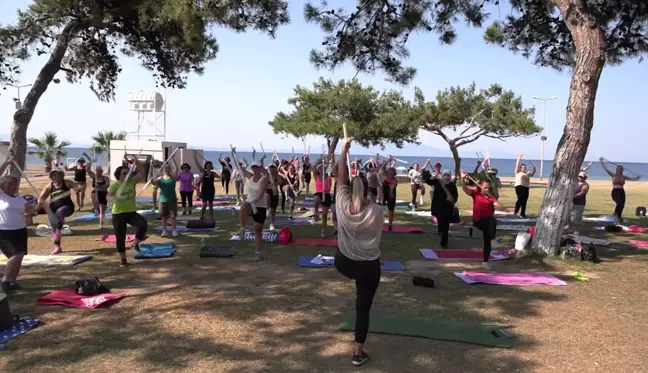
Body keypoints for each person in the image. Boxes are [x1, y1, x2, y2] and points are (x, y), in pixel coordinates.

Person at [333, 138, 384, 367]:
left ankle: (358, 352)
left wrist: (343, 151)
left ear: (350, 189)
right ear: (367, 190)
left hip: (343, 262)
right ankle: (357, 353)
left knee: (354, 266)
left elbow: (341, 176)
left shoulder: (342, 203)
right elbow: (348, 181)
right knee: (362, 309)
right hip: (367, 267)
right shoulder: (376, 211)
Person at [0, 156, 39, 293]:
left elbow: (31, 212)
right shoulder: (1, 196)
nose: (13, 186)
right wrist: (6, 163)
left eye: (15, 184)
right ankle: (5, 281)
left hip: (20, 230)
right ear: (3, 185)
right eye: (10, 184)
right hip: (4, 231)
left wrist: (39, 206)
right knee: (15, 255)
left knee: (20, 255)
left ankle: (12, 281)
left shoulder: (20, 198)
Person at [108, 156, 148, 267]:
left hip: (131, 213)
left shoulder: (132, 181)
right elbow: (109, 197)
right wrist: (114, 198)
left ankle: (135, 244)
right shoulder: (115, 185)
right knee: (120, 237)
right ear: (118, 175)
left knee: (143, 225)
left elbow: (142, 172)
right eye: (124, 174)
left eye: (128, 173)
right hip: (118, 214)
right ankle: (123, 260)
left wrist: (135, 161)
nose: (127, 175)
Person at [460, 172, 500, 270]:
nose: (487, 189)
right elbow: (464, 189)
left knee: (487, 242)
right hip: (478, 221)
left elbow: (497, 205)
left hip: (488, 223)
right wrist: (462, 179)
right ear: (480, 186)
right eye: (485, 187)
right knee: (492, 220)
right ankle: (493, 239)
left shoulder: (491, 197)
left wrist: (496, 202)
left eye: (489, 188)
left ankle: (485, 262)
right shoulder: (475, 194)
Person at [38, 169, 82, 254]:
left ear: (62, 175)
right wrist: (40, 201)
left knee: (60, 212)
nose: (55, 177)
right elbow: (41, 197)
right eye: (53, 175)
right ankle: (57, 246)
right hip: (53, 209)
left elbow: (78, 186)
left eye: (57, 174)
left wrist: (77, 188)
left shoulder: (67, 183)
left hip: (67, 207)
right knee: (55, 230)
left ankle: (59, 229)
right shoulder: (49, 186)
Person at [235, 156, 268, 262]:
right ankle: (242, 228)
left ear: (260, 168)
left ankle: (257, 252)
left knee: (258, 229)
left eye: (256, 167)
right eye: (253, 167)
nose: (254, 169)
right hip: (250, 203)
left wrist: (255, 201)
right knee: (243, 206)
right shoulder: (249, 176)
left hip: (260, 206)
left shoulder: (264, 179)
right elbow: (240, 168)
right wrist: (234, 154)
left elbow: (262, 192)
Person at [423, 169, 458, 248]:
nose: (446, 177)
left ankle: (444, 243)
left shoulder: (452, 185)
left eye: (447, 176)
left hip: (447, 208)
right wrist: (428, 173)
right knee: (440, 221)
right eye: (444, 175)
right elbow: (427, 180)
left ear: (450, 176)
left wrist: (451, 199)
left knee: (445, 226)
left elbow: (455, 198)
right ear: (442, 175)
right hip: (438, 207)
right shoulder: (438, 182)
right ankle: (440, 231)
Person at [600, 158, 639, 222]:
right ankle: (615, 216)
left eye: (620, 169)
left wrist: (637, 178)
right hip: (615, 191)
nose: (619, 170)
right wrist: (602, 162)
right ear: (616, 170)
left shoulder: (624, 177)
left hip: (622, 192)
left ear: (622, 170)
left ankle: (618, 217)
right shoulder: (613, 175)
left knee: (622, 204)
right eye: (618, 169)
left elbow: (633, 179)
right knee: (619, 203)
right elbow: (606, 169)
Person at [152, 163, 179, 237]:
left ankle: (174, 231)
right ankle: (164, 231)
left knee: (172, 216)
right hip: (162, 200)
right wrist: (151, 179)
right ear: (163, 169)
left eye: (168, 168)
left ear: (170, 169)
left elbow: (177, 169)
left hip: (172, 199)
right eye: (165, 168)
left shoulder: (173, 177)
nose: (167, 169)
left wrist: (173, 160)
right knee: (163, 217)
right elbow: (154, 183)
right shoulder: (160, 178)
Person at [313, 154, 334, 237]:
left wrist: (327, 162)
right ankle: (316, 212)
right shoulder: (316, 176)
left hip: (326, 194)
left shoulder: (328, 177)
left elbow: (329, 188)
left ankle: (323, 230)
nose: (321, 169)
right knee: (316, 199)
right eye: (320, 168)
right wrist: (322, 160)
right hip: (319, 193)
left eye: (323, 168)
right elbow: (315, 167)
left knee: (325, 215)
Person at [86, 162, 110, 228]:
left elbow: (107, 185)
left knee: (102, 210)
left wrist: (100, 186)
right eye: (96, 170)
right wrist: (91, 162)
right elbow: (87, 169)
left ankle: (101, 224)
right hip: (95, 193)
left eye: (99, 170)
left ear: (101, 171)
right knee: (94, 196)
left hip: (103, 193)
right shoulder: (94, 176)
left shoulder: (105, 178)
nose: (97, 172)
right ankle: (96, 209)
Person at [514, 154, 536, 218]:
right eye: (523, 167)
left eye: (524, 167)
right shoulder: (518, 172)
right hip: (519, 186)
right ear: (520, 168)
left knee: (524, 201)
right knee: (520, 198)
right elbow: (517, 164)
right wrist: (519, 157)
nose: (524, 168)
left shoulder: (527, 173)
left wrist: (534, 167)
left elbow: (533, 172)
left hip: (526, 187)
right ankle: (516, 211)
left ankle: (522, 214)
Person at [568, 171, 589, 235]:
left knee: (577, 217)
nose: (580, 178)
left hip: (580, 203)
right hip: (571, 202)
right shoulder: (575, 183)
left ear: (585, 178)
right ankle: (569, 226)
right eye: (579, 176)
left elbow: (582, 193)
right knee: (568, 215)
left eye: (581, 177)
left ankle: (576, 230)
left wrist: (572, 197)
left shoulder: (585, 185)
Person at [382, 161, 398, 231]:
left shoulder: (395, 180)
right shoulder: (385, 177)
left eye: (392, 172)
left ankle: (390, 224)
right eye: (389, 171)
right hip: (383, 194)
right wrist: (389, 160)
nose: (390, 173)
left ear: (394, 173)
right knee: (380, 208)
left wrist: (390, 195)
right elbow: (383, 167)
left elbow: (392, 189)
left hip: (391, 195)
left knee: (390, 210)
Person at [265, 164, 280, 231]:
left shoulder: (277, 176)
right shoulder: (266, 175)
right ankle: (266, 210)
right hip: (268, 191)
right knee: (267, 197)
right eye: (270, 168)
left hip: (275, 192)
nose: (271, 169)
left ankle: (272, 224)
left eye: (273, 168)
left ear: (275, 169)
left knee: (273, 210)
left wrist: (273, 184)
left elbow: (280, 181)